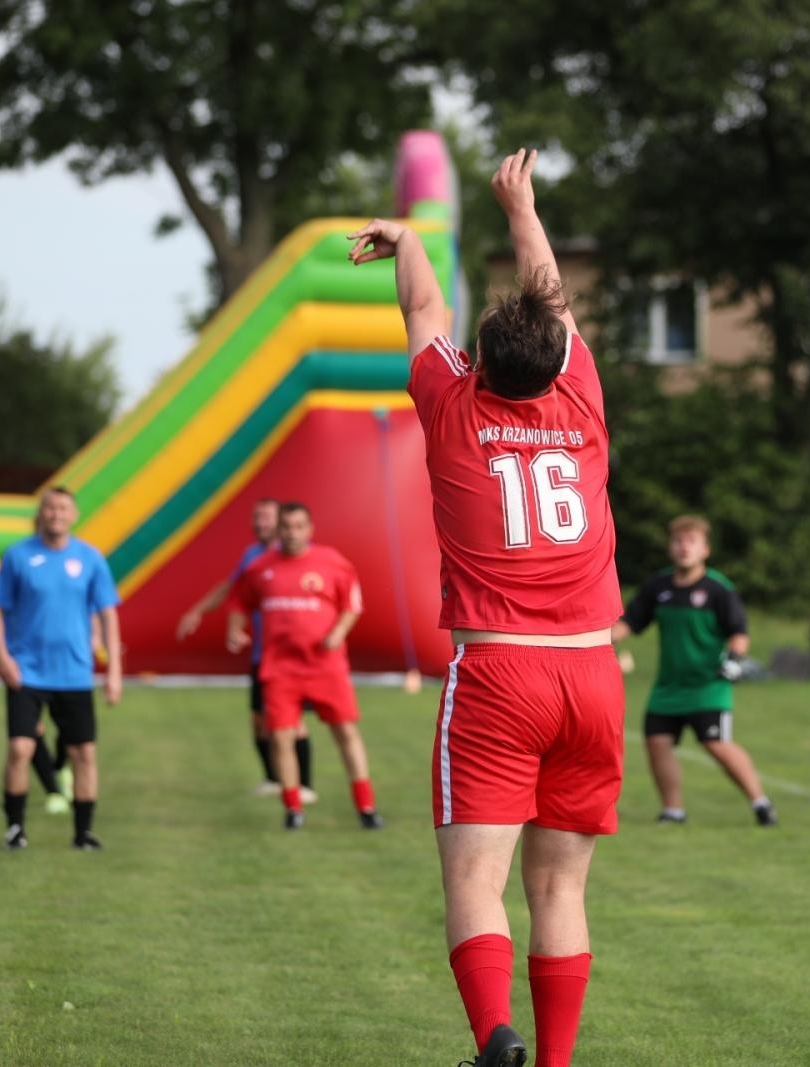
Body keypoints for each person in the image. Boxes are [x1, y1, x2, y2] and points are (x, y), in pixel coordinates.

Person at [349, 147, 625, 1067]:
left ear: (482, 360)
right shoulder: (579, 403)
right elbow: (551, 294)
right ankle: (552, 1063)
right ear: (557, 358)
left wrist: (408, 239)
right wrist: (522, 206)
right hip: (593, 671)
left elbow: (424, 307)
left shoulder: (452, 404)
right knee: (561, 888)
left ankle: (492, 1041)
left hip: (501, 669)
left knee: (475, 875)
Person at [612, 515, 777, 827]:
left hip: (708, 686)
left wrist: (733, 659)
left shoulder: (717, 589)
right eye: (677, 541)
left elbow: (739, 632)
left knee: (716, 745)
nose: (683, 547)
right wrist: (597, 638)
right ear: (669, 548)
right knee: (657, 743)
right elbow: (630, 624)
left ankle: (761, 803)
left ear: (705, 549)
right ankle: (673, 811)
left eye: (691, 542)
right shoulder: (658, 586)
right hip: (668, 687)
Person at [226, 502, 382, 831]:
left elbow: (352, 605)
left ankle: (366, 807)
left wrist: (337, 632)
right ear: (277, 530)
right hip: (280, 668)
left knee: (346, 732)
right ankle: (293, 809)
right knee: (281, 738)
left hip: (326, 665)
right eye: (286, 527)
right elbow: (239, 600)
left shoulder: (333, 563)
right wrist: (234, 629)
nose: (292, 533)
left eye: (299, 527)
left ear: (309, 530)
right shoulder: (261, 567)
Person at [0, 486, 122, 851]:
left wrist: (113, 672)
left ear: (74, 515)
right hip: (26, 671)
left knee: (83, 754)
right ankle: (15, 829)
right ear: (41, 514)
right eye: (49, 507)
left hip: (74, 673)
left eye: (63, 508)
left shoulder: (91, 559)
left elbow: (108, 613)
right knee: (19, 749)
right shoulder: (18, 556)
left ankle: (83, 834)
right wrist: (2, 657)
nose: (56, 514)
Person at [177, 497, 316, 804]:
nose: (260, 524)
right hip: (261, 654)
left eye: (266, 518)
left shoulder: (294, 557)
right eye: (256, 518)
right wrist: (199, 612)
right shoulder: (252, 555)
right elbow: (233, 590)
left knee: (293, 721)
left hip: (291, 657)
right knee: (259, 720)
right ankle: (273, 778)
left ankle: (304, 785)